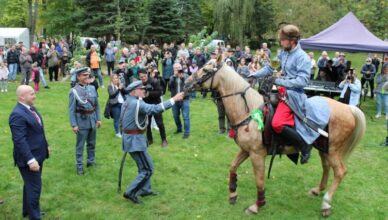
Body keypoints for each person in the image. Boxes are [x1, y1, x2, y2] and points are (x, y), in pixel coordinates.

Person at [250, 24, 312, 164]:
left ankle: (304, 145)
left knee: (277, 123)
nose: (281, 42)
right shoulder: (283, 53)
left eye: (283, 40)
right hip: (281, 92)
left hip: (294, 95)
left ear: (292, 40)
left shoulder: (302, 57)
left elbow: (303, 81)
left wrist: (279, 81)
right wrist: (254, 75)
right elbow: (270, 67)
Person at [120, 81, 184, 204]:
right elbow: (155, 109)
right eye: (141, 88)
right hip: (134, 141)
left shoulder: (129, 100)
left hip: (133, 139)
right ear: (134, 91)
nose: (144, 90)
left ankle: (145, 189)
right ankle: (130, 192)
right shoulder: (135, 103)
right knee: (147, 169)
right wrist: (173, 100)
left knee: (143, 167)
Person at [9, 85, 49, 220]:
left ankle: (28, 211)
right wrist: (30, 160)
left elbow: (38, 130)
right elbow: (19, 140)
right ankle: (34, 216)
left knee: (30, 185)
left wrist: (45, 146)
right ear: (22, 97)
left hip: (38, 153)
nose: (35, 96)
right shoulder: (17, 114)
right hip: (29, 158)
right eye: (32, 94)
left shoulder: (30, 108)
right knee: (34, 188)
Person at [68, 67, 101, 175]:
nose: (87, 77)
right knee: (80, 145)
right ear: (78, 77)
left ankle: (91, 162)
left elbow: (97, 105)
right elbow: (71, 110)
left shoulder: (92, 88)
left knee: (92, 143)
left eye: (88, 75)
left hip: (92, 120)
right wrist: (73, 124)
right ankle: (79, 166)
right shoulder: (74, 91)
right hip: (81, 122)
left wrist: (98, 118)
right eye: (84, 75)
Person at [138, 69, 168, 147]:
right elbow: (137, 93)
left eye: (144, 76)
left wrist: (148, 93)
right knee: (147, 124)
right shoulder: (139, 83)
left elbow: (160, 92)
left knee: (160, 123)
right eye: (141, 77)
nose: (143, 78)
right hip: (146, 106)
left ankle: (164, 140)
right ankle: (149, 139)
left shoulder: (154, 81)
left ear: (147, 74)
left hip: (156, 105)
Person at [169, 63, 191, 139]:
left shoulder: (186, 76)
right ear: (173, 69)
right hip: (175, 99)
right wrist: (175, 77)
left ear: (181, 68)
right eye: (176, 68)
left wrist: (182, 78)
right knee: (175, 116)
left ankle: (187, 132)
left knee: (185, 116)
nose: (178, 69)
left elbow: (189, 86)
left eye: (179, 67)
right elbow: (170, 87)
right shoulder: (172, 77)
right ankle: (179, 128)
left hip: (185, 99)